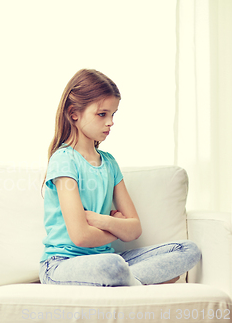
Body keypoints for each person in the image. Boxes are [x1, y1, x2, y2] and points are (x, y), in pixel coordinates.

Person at [39, 69, 201, 287]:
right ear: (74, 113)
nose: (111, 122)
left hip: (106, 259)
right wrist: (118, 228)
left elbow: (134, 230)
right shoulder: (63, 160)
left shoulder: (109, 163)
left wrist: (100, 220)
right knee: (113, 266)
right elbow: (80, 236)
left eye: (113, 114)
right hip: (62, 264)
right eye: (102, 114)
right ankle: (139, 279)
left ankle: (128, 279)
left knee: (188, 250)